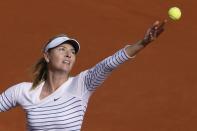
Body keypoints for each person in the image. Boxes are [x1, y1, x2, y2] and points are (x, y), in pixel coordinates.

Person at [0, 20, 166, 131]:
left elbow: (108, 64)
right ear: (47, 56)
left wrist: (143, 43)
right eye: (62, 49)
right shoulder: (23, 91)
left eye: (72, 51)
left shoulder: (81, 85)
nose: (69, 54)